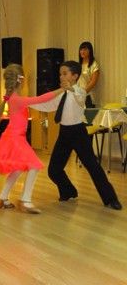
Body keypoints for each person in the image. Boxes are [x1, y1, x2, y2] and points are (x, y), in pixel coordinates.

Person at [0, 64, 66, 213]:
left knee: (18, 168)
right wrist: (62, 89)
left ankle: (3, 197)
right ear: (21, 80)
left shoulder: (12, 98)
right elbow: (40, 99)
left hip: (15, 137)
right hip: (16, 138)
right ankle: (25, 200)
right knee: (34, 165)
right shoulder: (17, 99)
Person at [47, 61, 122, 210]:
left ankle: (111, 199)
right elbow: (46, 103)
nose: (61, 76)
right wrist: (23, 102)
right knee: (53, 170)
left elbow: (80, 97)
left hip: (78, 133)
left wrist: (71, 89)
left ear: (75, 76)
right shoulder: (61, 93)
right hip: (64, 133)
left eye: (65, 73)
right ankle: (68, 191)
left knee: (93, 167)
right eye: (60, 74)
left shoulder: (80, 91)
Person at [77, 41, 99, 108]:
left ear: (90, 51)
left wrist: (83, 93)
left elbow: (93, 82)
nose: (82, 51)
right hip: (77, 95)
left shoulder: (94, 65)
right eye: (81, 49)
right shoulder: (78, 65)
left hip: (88, 96)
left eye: (85, 49)